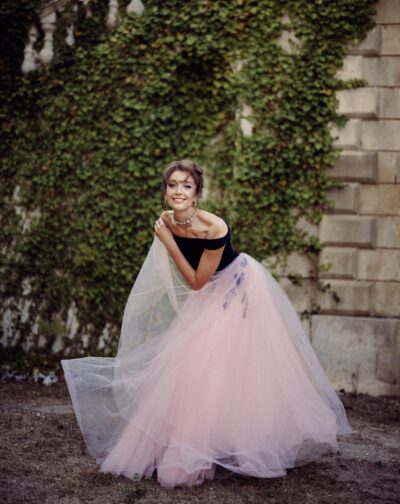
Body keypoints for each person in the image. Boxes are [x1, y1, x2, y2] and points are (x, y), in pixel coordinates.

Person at [61, 159, 351, 490]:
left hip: (240, 286)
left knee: (227, 364)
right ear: (165, 191)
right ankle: (184, 442)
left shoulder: (215, 227)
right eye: (173, 185)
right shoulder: (167, 221)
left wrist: (168, 242)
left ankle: (240, 444)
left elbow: (198, 279)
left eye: (187, 186)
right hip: (212, 289)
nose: (179, 191)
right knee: (188, 363)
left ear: (197, 194)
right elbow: (176, 280)